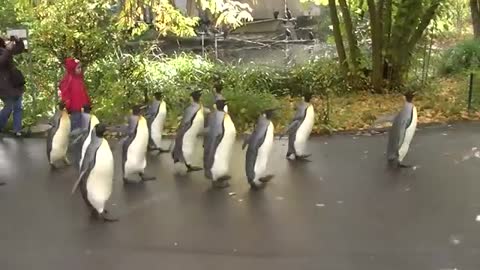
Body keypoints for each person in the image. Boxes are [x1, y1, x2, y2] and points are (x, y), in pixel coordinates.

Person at [0, 36, 26, 137]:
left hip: (15, 82)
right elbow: (1, 62)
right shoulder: (5, 51)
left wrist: (17, 40)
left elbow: (19, 50)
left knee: (18, 107)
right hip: (4, 86)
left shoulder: (5, 49)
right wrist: (8, 50)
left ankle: (17, 129)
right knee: (8, 107)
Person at [59, 58, 91, 130]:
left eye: (80, 67)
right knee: (76, 129)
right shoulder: (68, 80)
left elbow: (83, 93)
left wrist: (88, 103)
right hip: (74, 110)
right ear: (72, 69)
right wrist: (67, 105)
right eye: (78, 68)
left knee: (85, 128)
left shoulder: (79, 79)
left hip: (84, 108)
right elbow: (65, 94)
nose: (80, 69)